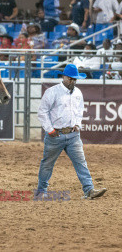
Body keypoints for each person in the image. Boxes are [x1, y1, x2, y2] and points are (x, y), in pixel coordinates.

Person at [37, 64, 107, 200]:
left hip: (73, 135)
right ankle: (41, 191)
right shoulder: (52, 92)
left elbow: (80, 111)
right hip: (55, 134)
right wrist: (49, 129)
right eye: (70, 78)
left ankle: (89, 189)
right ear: (63, 77)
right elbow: (42, 112)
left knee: (81, 162)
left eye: (75, 79)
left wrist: (77, 124)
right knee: (47, 164)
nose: (73, 81)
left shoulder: (77, 93)